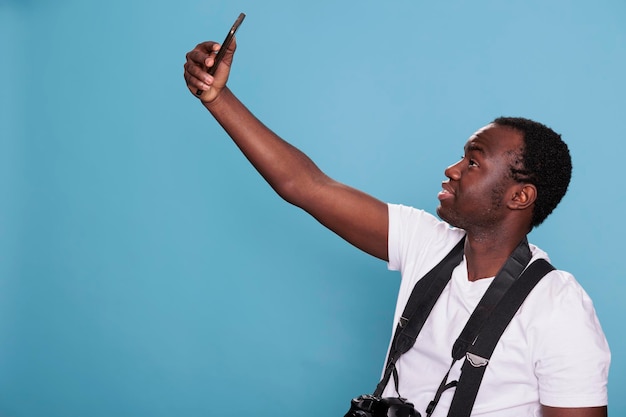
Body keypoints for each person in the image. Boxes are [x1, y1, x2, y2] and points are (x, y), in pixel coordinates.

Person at [183, 37, 610, 417]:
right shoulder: (427, 243)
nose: (453, 169)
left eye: (474, 161)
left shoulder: (559, 309)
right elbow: (306, 185)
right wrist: (217, 97)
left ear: (520, 196)